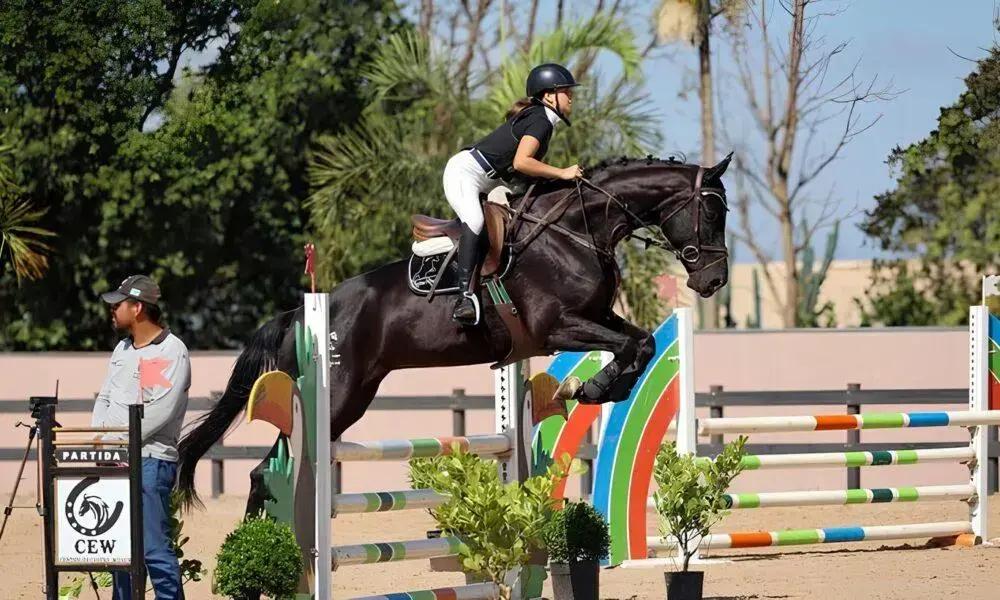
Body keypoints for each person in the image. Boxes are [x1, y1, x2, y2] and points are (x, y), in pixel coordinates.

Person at [444, 63, 584, 326]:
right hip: (464, 173)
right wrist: (563, 173)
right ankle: (463, 298)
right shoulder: (540, 120)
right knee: (474, 221)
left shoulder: (542, 120)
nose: (571, 97)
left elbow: (524, 172)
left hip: (488, 181)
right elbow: (522, 163)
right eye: (566, 91)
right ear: (549, 95)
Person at [93, 274, 190, 600]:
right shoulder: (122, 349)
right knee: (119, 550)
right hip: (117, 457)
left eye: (117, 304)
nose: (111, 310)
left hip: (150, 462)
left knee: (152, 551)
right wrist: (100, 440)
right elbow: (104, 397)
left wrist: (115, 441)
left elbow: (157, 411)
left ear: (137, 308)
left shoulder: (166, 352)